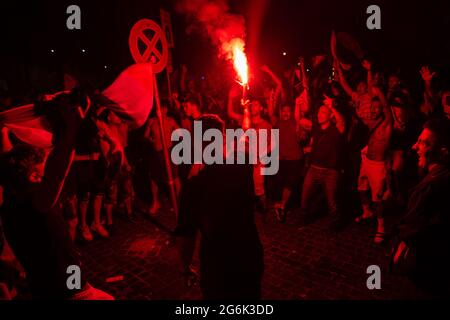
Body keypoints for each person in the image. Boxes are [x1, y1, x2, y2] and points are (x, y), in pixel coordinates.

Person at [0, 95, 113, 299]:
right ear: (33, 175)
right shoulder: (35, 200)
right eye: (41, 169)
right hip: (66, 288)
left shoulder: (10, 198)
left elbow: (8, 160)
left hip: (43, 287)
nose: (45, 171)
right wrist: (72, 128)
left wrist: (2, 129)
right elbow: (57, 172)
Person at [175, 114, 264, 300]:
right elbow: (260, 199)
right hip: (249, 254)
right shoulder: (244, 163)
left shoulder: (194, 182)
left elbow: (186, 233)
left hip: (218, 262)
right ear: (222, 136)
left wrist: (185, 267)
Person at [392, 119, 450, 297]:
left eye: (424, 143)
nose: (415, 147)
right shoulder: (443, 174)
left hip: (427, 268)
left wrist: (400, 252)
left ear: (443, 151)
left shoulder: (430, 187)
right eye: (418, 140)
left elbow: (412, 230)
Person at [299, 95, 346, 231]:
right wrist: (299, 105)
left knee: (332, 201)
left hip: (330, 171)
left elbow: (342, 123)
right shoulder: (316, 128)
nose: (320, 114)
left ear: (331, 116)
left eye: (323, 112)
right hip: (314, 168)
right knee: (305, 196)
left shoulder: (336, 130)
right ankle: (304, 219)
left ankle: (336, 222)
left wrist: (331, 107)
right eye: (319, 112)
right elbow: (301, 121)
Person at [355, 88, 393, 244]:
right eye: (372, 107)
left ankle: (381, 227)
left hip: (378, 165)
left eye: (377, 107)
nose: (373, 109)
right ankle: (366, 212)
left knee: (378, 199)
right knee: (361, 188)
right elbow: (360, 116)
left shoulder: (387, 124)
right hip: (366, 161)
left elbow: (387, 110)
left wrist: (381, 95)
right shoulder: (372, 122)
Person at [227, 87, 272, 213]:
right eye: (252, 104)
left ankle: (264, 211)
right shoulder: (243, 118)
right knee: (245, 186)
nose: (253, 106)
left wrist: (262, 157)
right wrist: (230, 98)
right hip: (245, 159)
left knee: (259, 189)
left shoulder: (266, 125)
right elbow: (230, 113)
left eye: (256, 105)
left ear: (261, 108)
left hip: (258, 161)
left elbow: (273, 143)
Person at [144, 102, 181, 215]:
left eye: (164, 108)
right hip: (156, 153)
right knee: (154, 177)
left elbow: (180, 133)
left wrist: (174, 137)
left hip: (169, 151)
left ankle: (178, 203)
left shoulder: (170, 121)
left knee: (174, 177)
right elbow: (145, 136)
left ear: (166, 109)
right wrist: (151, 140)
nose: (161, 111)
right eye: (159, 108)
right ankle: (155, 202)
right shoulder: (152, 121)